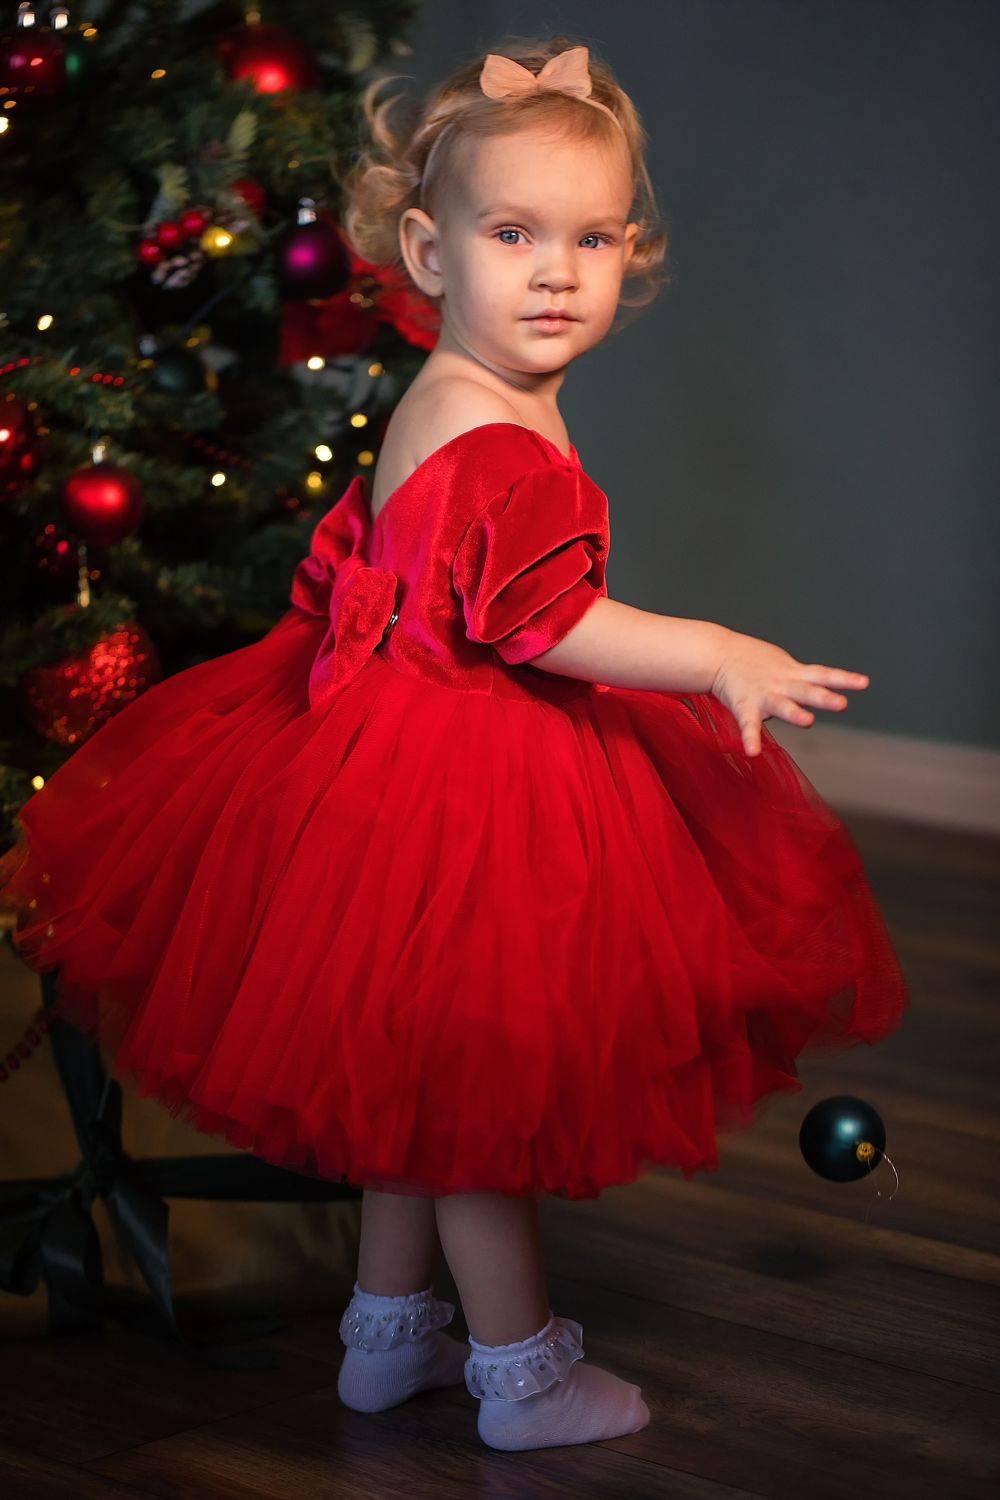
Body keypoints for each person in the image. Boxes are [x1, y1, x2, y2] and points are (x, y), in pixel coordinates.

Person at [0, 38, 908, 1453]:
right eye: (512, 235)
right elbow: (544, 622)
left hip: (386, 755)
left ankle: (387, 1333)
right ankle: (521, 1374)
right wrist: (715, 651)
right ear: (428, 252)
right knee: (474, 1110)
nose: (556, 274)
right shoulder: (490, 437)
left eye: (591, 238)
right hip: (467, 782)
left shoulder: (459, 393)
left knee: (411, 1086)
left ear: (630, 254)